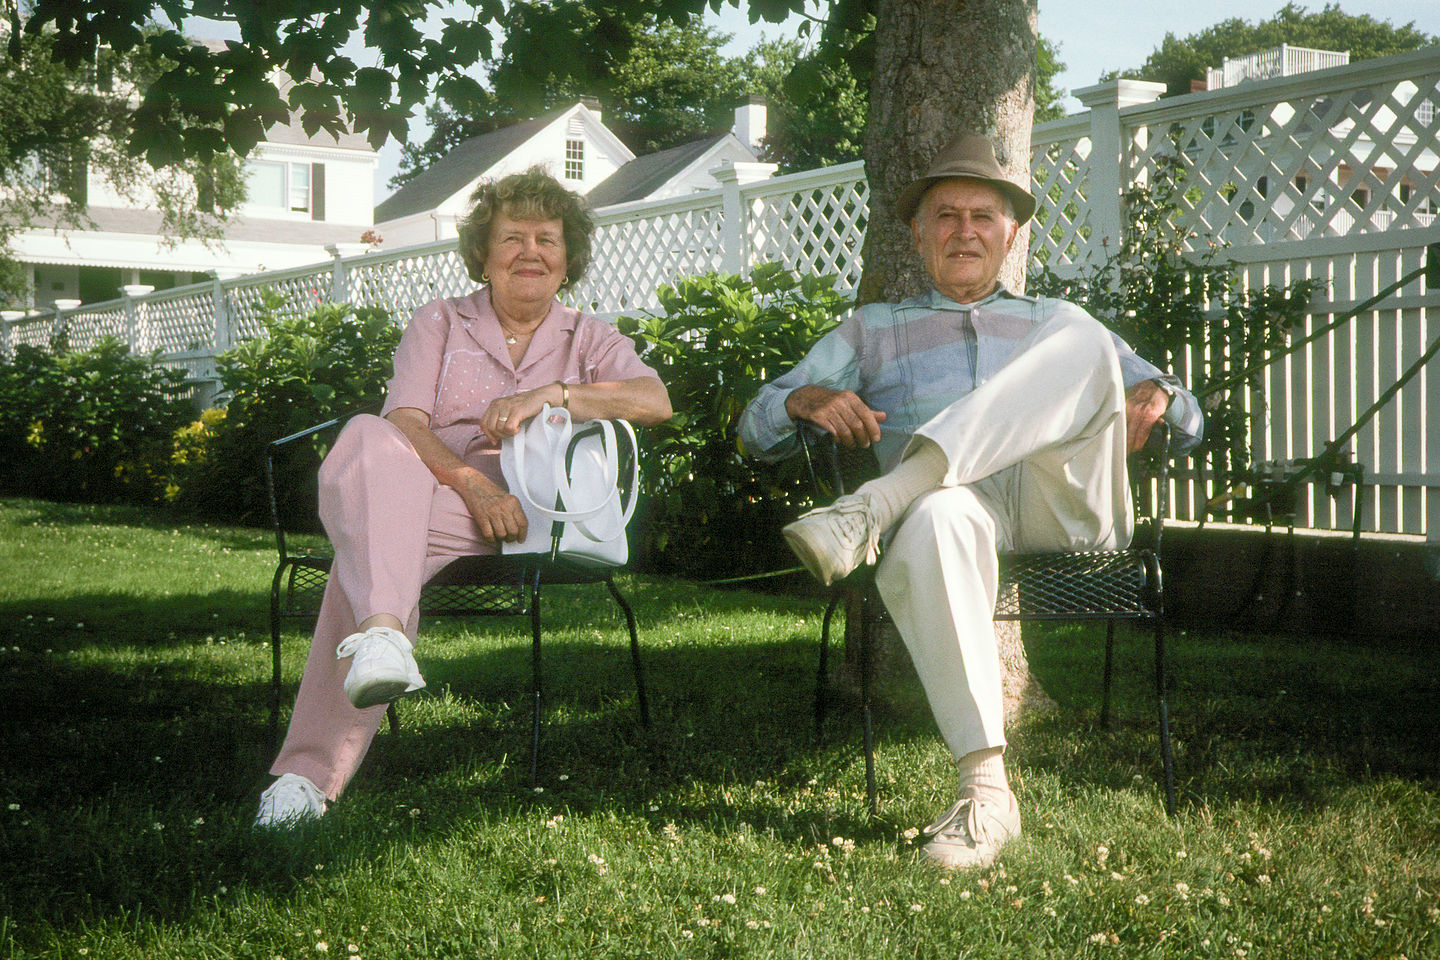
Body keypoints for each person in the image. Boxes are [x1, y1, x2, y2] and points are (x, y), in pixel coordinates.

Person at [738, 132, 1204, 870]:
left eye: (982, 216)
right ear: (918, 234)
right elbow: (754, 426)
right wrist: (804, 396)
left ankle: (873, 506)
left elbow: (1190, 420)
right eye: (945, 216)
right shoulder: (873, 329)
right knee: (940, 510)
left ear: (1010, 234)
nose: (964, 231)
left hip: (1067, 504)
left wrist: (1161, 394)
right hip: (954, 520)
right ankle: (986, 792)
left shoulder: (1055, 321)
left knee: (1079, 334)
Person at [255, 167, 673, 827]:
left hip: (533, 505)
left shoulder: (588, 335)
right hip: (438, 487)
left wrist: (554, 395)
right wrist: (471, 482)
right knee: (368, 436)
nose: (530, 251)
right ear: (483, 253)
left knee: (366, 549)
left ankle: (308, 770)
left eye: (547, 238)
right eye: (512, 237)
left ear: (568, 258)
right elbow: (407, 424)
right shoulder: (441, 321)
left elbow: (654, 401)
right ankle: (383, 637)